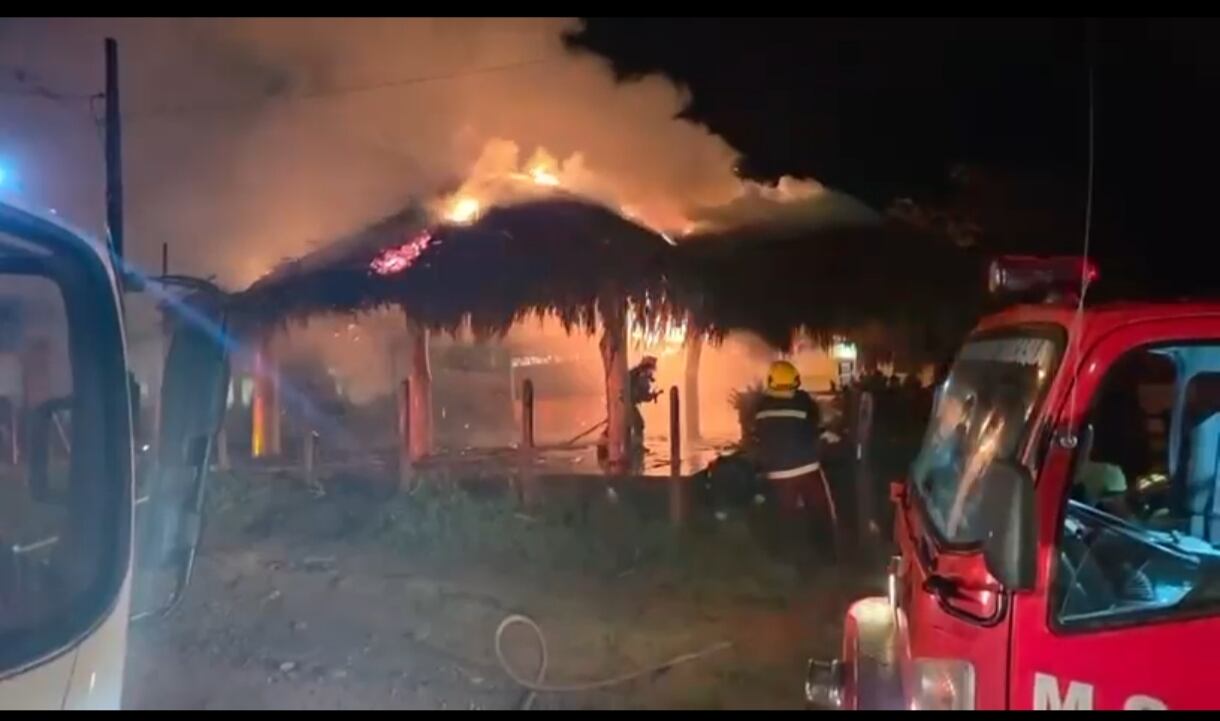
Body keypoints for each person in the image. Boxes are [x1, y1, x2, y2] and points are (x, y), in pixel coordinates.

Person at [752, 360, 838, 552]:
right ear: (796, 380)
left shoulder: (761, 406)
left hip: (776, 474)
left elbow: (758, 437)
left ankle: (784, 558)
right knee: (821, 513)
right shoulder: (802, 401)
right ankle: (826, 556)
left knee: (784, 518)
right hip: (807, 468)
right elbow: (816, 425)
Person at [627, 355, 661, 450]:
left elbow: (642, 395)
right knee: (638, 424)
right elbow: (641, 395)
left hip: (627, 403)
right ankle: (636, 446)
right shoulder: (640, 375)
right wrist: (651, 396)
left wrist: (652, 395)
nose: (652, 371)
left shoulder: (638, 374)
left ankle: (634, 445)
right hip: (626, 403)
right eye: (652, 368)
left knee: (634, 424)